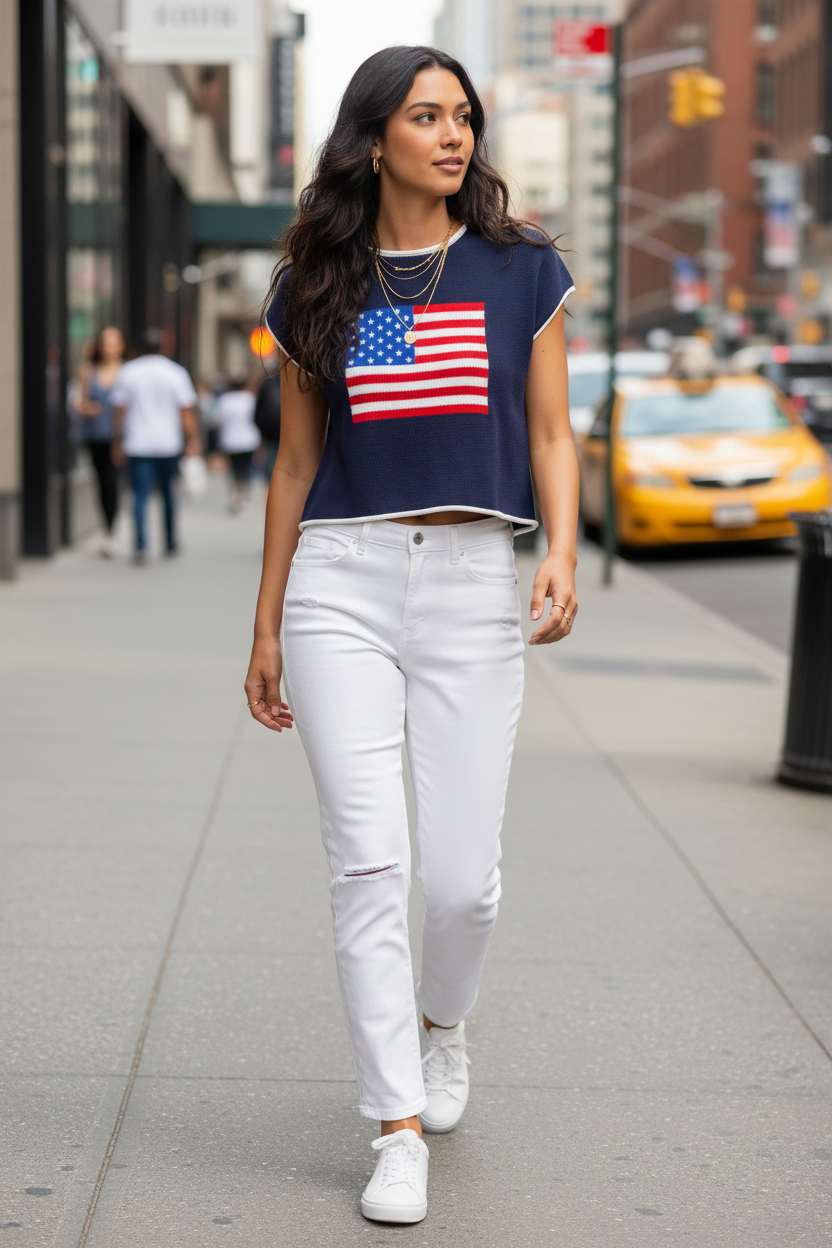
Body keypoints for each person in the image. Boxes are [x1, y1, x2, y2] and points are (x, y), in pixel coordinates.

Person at [245, 46, 578, 1224]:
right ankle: (393, 1124)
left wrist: (564, 550)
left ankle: (442, 1024)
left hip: (475, 580)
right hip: (341, 577)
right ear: (373, 135)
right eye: (425, 115)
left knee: (462, 889)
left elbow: (549, 435)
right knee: (369, 862)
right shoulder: (317, 283)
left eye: (463, 116)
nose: (452, 135)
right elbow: (295, 465)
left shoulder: (516, 268)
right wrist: (267, 621)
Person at [111, 328, 200, 565]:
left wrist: (117, 441)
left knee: (139, 495)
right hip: (168, 444)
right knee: (168, 493)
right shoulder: (175, 372)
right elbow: (186, 411)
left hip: (138, 443)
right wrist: (192, 440)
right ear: (163, 347)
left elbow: (119, 411)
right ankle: (170, 541)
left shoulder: (128, 372)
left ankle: (141, 546)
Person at [76, 326, 126, 557]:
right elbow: (80, 403)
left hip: (119, 438)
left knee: (112, 482)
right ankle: (107, 529)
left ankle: (111, 530)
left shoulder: (126, 372)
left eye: (114, 343)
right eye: (105, 343)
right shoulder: (87, 371)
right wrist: (88, 409)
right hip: (95, 436)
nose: (109, 348)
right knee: (102, 482)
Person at [214, 377, 261, 512]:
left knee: (233, 470)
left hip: (230, 440)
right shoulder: (249, 399)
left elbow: (217, 421)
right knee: (246, 470)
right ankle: (243, 497)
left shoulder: (224, 400)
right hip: (248, 440)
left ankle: (235, 495)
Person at [253, 370, 282, 484]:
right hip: (279, 434)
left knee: (273, 471)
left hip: (272, 434)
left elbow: (258, 413)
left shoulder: (268, 381)